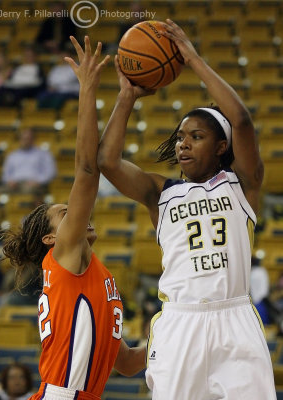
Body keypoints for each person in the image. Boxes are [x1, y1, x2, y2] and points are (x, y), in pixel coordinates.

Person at [97, 19, 277, 400]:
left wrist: (192, 58)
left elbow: (242, 121)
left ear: (221, 146)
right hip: (180, 322)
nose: (183, 145)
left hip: (236, 318)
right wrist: (126, 97)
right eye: (180, 137)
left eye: (196, 136)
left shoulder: (242, 185)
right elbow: (108, 162)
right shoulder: (161, 193)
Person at [2, 36, 146, 400]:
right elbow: (86, 169)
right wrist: (88, 88)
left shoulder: (90, 272)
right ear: (53, 238)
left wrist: (176, 326)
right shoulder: (64, 257)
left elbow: (127, 363)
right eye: (65, 214)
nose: (80, 216)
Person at [1, 128, 56, 196]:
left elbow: (50, 172)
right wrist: (10, 181)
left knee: (29, 191)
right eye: (23, 138)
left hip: (34, 184)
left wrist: (38, 181)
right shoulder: (12, 155)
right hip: (15, 184)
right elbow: (6, 174)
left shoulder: (43, 154)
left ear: (33, 139)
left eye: (28, 138)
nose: (25, 141)